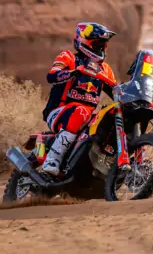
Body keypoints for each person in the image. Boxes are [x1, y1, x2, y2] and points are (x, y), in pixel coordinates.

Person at [41, 22, 118, 176]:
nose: (102, 48)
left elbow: (116, 91)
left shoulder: (105, 69)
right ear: (84, 42)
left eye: (104, 44)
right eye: (98, 43)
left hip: (86, 117)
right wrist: (72, 72)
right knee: (81, 112)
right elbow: (51, 75)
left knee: (109, 119)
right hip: (58, 112)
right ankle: (52, 159)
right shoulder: (68, 57)